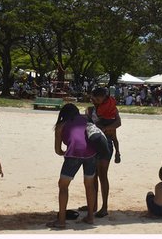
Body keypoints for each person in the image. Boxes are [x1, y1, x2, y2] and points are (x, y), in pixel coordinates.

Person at [50, 103, 97, 228]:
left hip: (73, 155)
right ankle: (90, 217)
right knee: (89, 185)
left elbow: (58, 150)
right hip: (91, 154)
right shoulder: (86, 119)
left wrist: (67, 152)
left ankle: (61, 221)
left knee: (63, 186)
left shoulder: (60, 126)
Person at [87, 86, 121, 218]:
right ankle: (94, 204)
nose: (94, 99)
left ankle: (104, 206)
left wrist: (104, 128)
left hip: (105, 143)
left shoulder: (110, 109)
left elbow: (118, 123)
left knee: (102, 175)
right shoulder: (90, 110)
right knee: (93, 175)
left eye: (97, 97)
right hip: (95, 143)